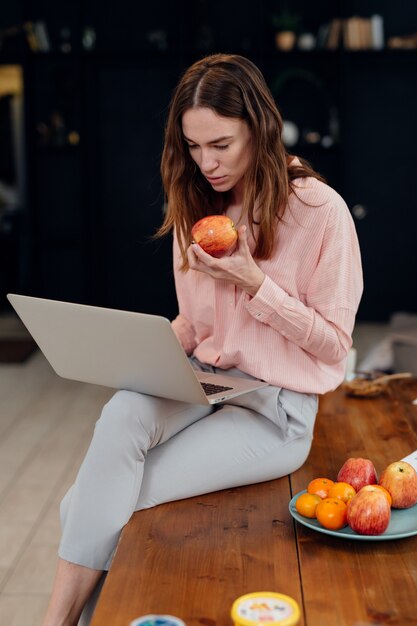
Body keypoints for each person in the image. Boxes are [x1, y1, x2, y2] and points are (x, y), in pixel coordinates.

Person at [42, 53, 363, 626]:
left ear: (259, 129)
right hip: (205, 381)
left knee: (98, 501)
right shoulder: (199, 204)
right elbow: (198, 324)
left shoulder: (320, 210)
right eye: (193, 147)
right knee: (120, 418)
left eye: (221, 144)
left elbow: (335, 344)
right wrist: (156, 342)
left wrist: (256, 284)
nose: (206, 163)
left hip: (275, 410)